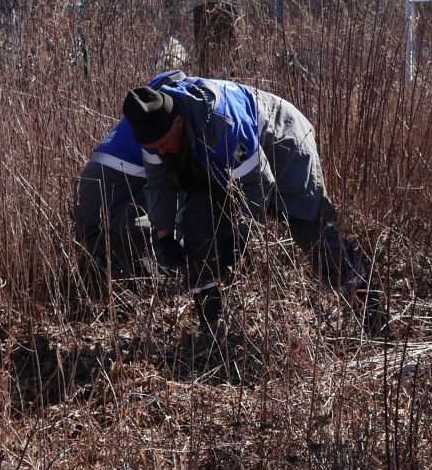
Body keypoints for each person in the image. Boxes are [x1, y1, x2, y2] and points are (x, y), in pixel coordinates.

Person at [122, 73, 371, 331]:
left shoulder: (224, 123)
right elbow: (158, 183)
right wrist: (163, 234)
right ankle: (212, 328)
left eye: (163, 145)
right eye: (154, 148)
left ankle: (368, 307)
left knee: (308, 228)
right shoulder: (153, 130)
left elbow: (256, 185)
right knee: (197, 220)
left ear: (178, 121)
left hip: (281, 138)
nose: (160, 152)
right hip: (223, 159)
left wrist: (242, 238)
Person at [72, 116, 159, 288]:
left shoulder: (143, 112)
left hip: (93, 226)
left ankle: (112, 267)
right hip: (106, 229)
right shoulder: (164, 123)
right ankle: (136, 271)